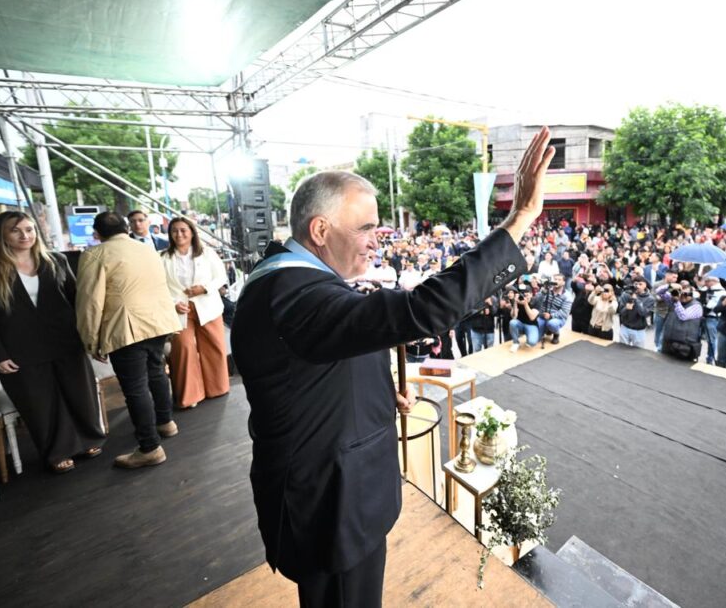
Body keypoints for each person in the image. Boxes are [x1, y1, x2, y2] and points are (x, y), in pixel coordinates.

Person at [231, 127, 554, 606]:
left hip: (334, 499)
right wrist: (520, 217)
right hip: (331, 511)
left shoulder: (290, 282)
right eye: (366, 229)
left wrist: (380, 395)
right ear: (320, 231)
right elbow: (423, 310)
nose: (376, 242)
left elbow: (312, 379)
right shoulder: (294, 295)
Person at [0, 211, 106, 473]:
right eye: (16, 230)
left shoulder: (55, 260)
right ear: (1, 235)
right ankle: (58, 452)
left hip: (66, 341)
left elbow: (77, 301)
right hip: (19, 349)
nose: (25, 235)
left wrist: (92, 338)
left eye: (29, 229)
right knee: (41, 405)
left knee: (80, 395)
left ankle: (89, 439)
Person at [76, 211, 182, 469]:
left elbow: (90, 302)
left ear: (97, 233)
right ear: (126, 227)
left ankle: (149, 448)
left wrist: (91, 340)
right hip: (158, 321)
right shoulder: (147, 249)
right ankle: (166, 422)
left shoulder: (95, 254)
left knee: (135, 388)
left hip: (125, 326)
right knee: (156, 372)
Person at [161, 217, 230, 410]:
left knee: (214, 347)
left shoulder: (207, 253)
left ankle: (217, 388)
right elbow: (160, 286)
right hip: (180, 310)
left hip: (208, 307)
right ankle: (189, 395)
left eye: (183, 230)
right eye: (174, 231)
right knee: (182, 349)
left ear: (192, 232)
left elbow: (220, 277)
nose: (179, 234)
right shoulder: (163, 257)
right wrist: (173, 304)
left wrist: (205, 288)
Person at [656, 281, 703, 360]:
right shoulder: (673, 299)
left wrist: (677, 302)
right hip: (668, 341)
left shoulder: (696, 306)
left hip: (685, 345)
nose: (683, 296)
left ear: (692, 295)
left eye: (686, 294)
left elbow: (683, 316)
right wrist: (669, 286)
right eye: (681, 293)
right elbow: (659, 292)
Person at [533, 274, 573, 344]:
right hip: (543, 316)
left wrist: (551, 316)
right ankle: (547, 330)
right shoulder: (547, 290)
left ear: (563, 283)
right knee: (535, 340)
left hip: (557, 318)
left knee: (552, 324)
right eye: (555, 279)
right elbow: (535, 301)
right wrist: (543, 292)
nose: (556, 281)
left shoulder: (567, 296)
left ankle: (556, 333)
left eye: (559, 280)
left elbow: (564, 313)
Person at [697, 274, 726, 365]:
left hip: (712, 317)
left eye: (707, 281)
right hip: (705, 316)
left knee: (711, 339)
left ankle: (710, 358)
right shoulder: (708, 290)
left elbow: (712, 305)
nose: (706, 283)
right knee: (698, 336)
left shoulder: (721, 292)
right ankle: (697, 354)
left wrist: (703, 310)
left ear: (713, 281)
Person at [617, 277, 654, 347]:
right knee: (622, 350)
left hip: (639, 331)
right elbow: (620, 312)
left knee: (638, 352)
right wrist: (626, 308)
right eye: (636, 284)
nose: (638, 286)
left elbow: (643, 313)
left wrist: (636, 299)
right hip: (625, 327)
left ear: (645, 285)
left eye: (640, 284)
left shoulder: (650, 299)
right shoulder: (626, 294)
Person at [651, 268, 679, 350]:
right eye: (674, 277)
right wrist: (664, 296)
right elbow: (653, 296)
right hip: (660, 311)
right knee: (658, 330)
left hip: (671, 312)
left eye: (676, 277)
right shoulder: (657, 284)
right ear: (667, 275)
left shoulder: (675, 286)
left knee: (666, 331)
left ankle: (661, 347)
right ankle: (657, 346)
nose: (675, 279)